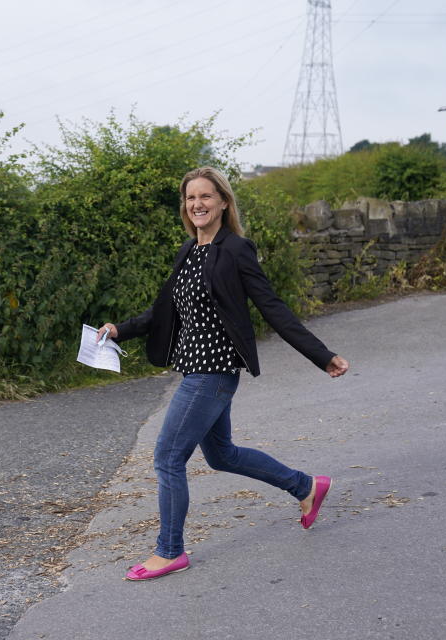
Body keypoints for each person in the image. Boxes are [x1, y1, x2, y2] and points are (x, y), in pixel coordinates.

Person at [96, 166, 349, 582]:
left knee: (167, 457)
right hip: (194, 371)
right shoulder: (188, 251)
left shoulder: (236, 249)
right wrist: (119, 329)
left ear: (223, 202)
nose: (197, 204)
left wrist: (322, 356)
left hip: (212, 373)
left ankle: (170, 551)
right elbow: (165, 311)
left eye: (206, 197)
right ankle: (305, 486)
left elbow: (273, 307)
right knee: (222, 455)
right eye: (191, 198)